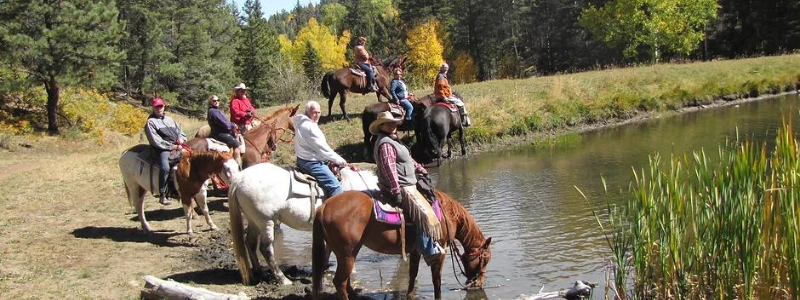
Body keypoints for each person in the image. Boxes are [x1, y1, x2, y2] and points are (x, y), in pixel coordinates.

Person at [370, 111, 444, 265]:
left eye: (394, 123)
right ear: (381, 126)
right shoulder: (385, 144)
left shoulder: (393, 140)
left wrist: (420, 169)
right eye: (389, 123)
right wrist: (396, 190)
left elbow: (407, 159)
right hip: (402, 187)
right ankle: (428, 251)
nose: (393, 125)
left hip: (408, 183)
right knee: (423, 214)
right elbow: (389, 169)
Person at [293, 100, 349, 198]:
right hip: (312, 162)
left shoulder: (299, 121)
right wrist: (340, 161)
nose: (317, 115)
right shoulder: (310, 127)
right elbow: (323, 150)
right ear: (307, 112)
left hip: (302, 158)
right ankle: (332, 212)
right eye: (314, 112)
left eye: (319, 112)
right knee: (336, 187)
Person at [144, 97, 187, 206]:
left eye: (161, 106)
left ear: (164, 107)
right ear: (153, 108)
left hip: (177, 146)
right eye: (156, 107)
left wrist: (181, 139)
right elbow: (156, 141)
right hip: (162, 149)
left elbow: (180, 131)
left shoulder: (170, 119)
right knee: (165, 167)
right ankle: (162, 194)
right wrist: (171, 146)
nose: (159, 109)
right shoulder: (151, 122)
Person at [207, 95, 242, 166]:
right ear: (210, 102)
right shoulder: (213, 112)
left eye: (218, 100)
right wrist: (233, 125)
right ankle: (237, 166)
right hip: (219, 133)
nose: (216, 102)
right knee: (237, 145)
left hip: (220, 132)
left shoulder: (216, 110)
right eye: (214, 101)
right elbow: (225, 124)